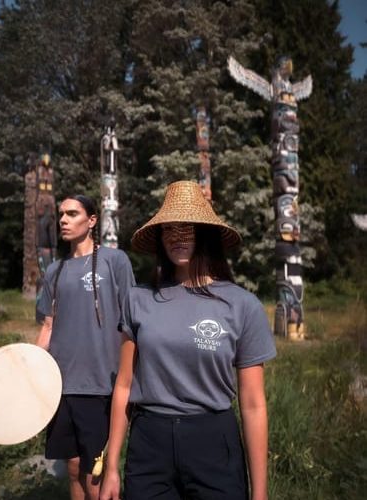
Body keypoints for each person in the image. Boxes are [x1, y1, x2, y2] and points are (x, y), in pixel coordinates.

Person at [100, 181, 277, 500]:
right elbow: (124, 385)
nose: (177, 237)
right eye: (169, 229)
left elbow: (252, 404)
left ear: (205, 234)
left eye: (187, 228)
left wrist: (260, 492)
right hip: (149, 443)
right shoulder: (138, 299)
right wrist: (112, 465)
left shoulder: (242, 305)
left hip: (213, 442)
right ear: (159, 237)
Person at [36, 194, 135, 500]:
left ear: (91, 220)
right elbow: (48, 326)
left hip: (102, 384)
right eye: (61, 214)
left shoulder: (115, 261)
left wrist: (129, 378)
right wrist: (32, 374)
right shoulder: (54, 271)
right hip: (60, 384)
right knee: (74, 465)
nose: (63, 220)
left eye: (72, 213)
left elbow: (131, 321)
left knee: (98, 472)